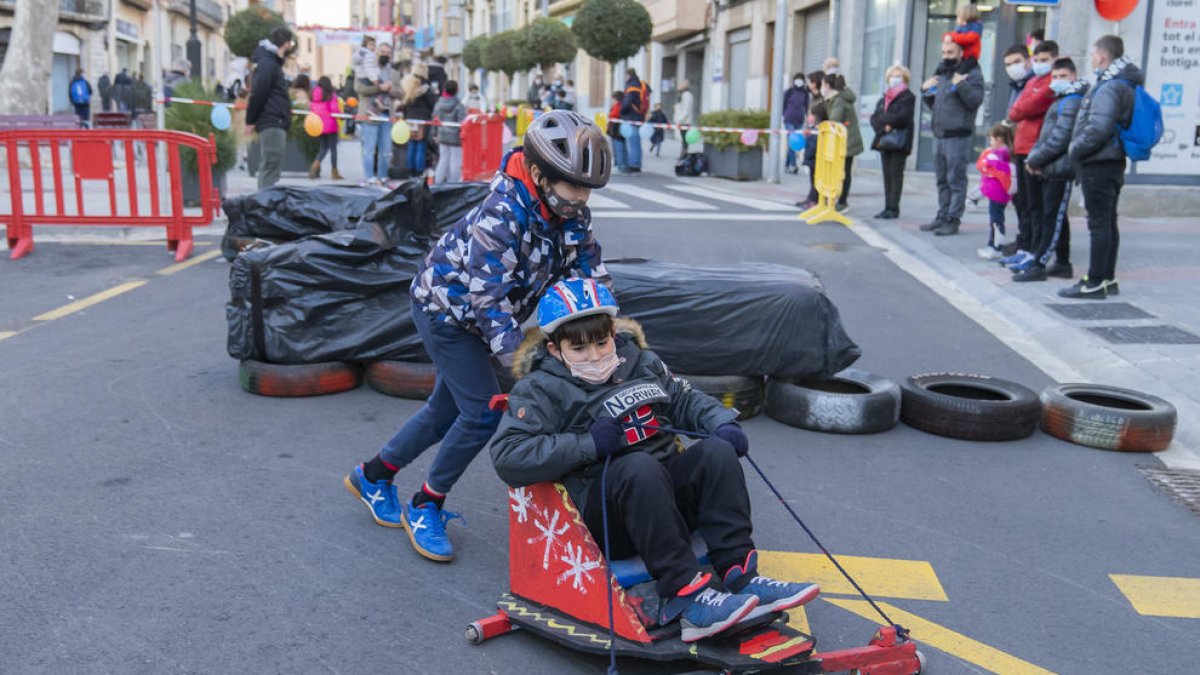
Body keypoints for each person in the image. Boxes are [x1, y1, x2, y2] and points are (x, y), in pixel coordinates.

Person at [343, 111, 614, 563]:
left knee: (442, 411)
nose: (581, 199)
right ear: (538, 174)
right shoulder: (502, 214)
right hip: (447, 313)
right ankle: (427, 504)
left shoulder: (571, 215)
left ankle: (373, 475)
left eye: (588, 190)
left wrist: (613, 332)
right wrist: (521, 362)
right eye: (574, 188)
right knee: (482, 412)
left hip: (482, 316)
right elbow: (487, 301)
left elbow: (590, 274)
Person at [490, 280, 822, 643]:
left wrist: (721, 423)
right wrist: (587, 444)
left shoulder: (641, 362)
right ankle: (688, 598)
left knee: (715, 452)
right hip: (606, 515)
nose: (595, 356)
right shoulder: (539, 390)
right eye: (580, 349)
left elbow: (684, 398)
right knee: (638, 467)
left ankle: (738, 572)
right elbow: (509, 457)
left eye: (602, 343)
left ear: (613, 333)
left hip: (663, 501)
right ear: (555, 349)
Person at [1063, 35, 1143, 299]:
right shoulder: (1122, 83)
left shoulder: (1109, 87)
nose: (1092, 60)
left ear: (1103, 56)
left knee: (1098, 223)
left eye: (1094, 54)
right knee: (1108, 221)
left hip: (1099, 162)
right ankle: (1107, 278)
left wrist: (1074, 150)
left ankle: (1095, 280)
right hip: (1110, 161)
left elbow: (1098, 128)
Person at [1016, 58, 1086, 283]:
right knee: (1056, 216)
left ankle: (1039, 263)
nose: (1057, 81)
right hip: (1052, 166)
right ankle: (1063, 263)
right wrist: (1037, 160)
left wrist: (1035, 159)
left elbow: (1060, 138)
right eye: (1055, 77)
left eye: (1062, 76)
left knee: (1051, 218)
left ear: (1073, 76)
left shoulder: (1072, 101)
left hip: (1061, 168)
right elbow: (1047, 136)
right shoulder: (1061, 100)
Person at [920, 35, 985, 236]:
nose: (946, 56)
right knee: (941, 179)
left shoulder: (972, 73)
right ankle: (942, 216)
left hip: (958, 135)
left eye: (950, 52)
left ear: (961, 53)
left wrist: (961, 84)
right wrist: (926, 90)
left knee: (955, 179)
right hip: (940, 134)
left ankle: (953, 219)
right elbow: (936, 105)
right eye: (943, 52)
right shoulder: (943, 72)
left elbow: (974, 101)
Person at [1003, 40, 1059, 265]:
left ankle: (1036, 251)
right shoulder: (1032, 81)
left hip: (1036, 150)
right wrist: (1018, 110)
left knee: (1037, 205)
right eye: (1037, 60)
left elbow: (1023, 109)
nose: (1039, 64)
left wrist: (1018, 110)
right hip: (1022, 147)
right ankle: (1026, 246)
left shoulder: (1051, 83)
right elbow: (1015, 109)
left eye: (1044, 60)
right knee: (1024, 202)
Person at [246, 27, 295, 190]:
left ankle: (264, 204)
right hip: (272, 121)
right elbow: (258, 93)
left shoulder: (270, 63)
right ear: (286, 44)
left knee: (272, 167)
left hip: (275, 121)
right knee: (270, 166)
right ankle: (263, 205)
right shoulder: (268, 64)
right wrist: (250, 120)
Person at [869, 64, 916, 219]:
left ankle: (894, 207)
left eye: (898, 76)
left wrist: (886, 120)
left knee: (896, 175)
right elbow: (875, 118)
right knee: (887, 175)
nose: (894, 79)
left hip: (899, 142)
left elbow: (902, 118)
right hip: (885, 140)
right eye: (892, 76)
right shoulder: (885, 98)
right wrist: (884, 128)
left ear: (905, 79)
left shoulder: (908, 97)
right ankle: (887, 206)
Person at [355, 42, 400, 187]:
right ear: (376, 53)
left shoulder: (394, 73)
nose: (385, 54)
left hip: (387, 117)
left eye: (388, 52)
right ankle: (369, 177)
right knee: (369, 149)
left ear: (391, 56)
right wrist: (379, 87)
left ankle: (383, 176)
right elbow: (359, 88)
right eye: (382, 51)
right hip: (369, 115)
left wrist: (390, 89)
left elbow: (401, 93)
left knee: (386, 150)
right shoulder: (365, 69)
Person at [974, 124, 1016, 261]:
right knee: (995, 219)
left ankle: (996, 246)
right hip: (997, 191)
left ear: (999, 139)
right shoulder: (1003, 153)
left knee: (996, 220)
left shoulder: (1000, 153)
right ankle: (992, 244)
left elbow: (987, 164)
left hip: (999, 192)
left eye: (992, 139)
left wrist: (989, 160)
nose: (990, 143)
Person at [822, 74, 862, 213]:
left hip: (846, 141)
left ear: (828, 86)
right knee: (843, 171)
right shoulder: (840, 97)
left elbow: (834, 120)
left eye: (824, 84)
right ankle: (838, 200)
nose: (823, 88)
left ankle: (843, 202)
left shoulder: (838, 99)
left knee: (843, 172)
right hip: (845, 140)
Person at [401, 62, 439, 179]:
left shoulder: (408, 85)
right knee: (421, 146)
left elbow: (405, 104)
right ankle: (419, 172)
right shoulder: (426, 88)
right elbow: (433, 103)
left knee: (411, 145)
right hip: (423, 120)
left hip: (410, 119)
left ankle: (410, 171)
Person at [796, 71, 825, 209]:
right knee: (812, 167)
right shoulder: (814, 97)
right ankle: (811, 197)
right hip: (812, 135)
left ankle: (816, 198)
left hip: (819, 136)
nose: (808, 84)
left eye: (810, 81)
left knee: (817, 168)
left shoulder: (822, 98)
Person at [433, 80, 467, 184]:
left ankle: (437, 182)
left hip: (442, 135)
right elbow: (463, 121)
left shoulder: (438, 104)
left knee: (443, 160)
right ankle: (454, 184)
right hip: (456, 137)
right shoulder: (459, 105)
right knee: (455, 162)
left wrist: (435, 134)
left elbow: (434, 119)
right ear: (456, 90)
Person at [310, 76, 342, 181]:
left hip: (318, 125)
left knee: (323, 148)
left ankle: (315, 164)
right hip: (330, 125)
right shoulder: (331, 95)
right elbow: (334, 109)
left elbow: (312, 109)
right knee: (333, 149)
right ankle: (334, 172)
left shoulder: (314, 94)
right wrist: (341, 116)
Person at [619, 68, 650, 174]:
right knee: (636, 141)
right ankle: (637, 163)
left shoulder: (632, 86)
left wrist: (622, 111)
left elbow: (628, 101)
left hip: (632, 117)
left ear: (628, 75)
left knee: (633, 141)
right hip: (639, 116)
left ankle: (634, 165)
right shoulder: (640, 84)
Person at [782, 72, 811, 174]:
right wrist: (784, 115)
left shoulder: (805, 93)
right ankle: (793, 166)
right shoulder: (789, 91)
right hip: (789, 119)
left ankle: (786, 165)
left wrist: (808, 118)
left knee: (792, 143)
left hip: (799, 120)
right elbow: (783, 104)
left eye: (801, 79)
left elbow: (807, 107)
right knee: (792, 142)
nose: (799, 81)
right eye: (797, 79)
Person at [674, 79, 695, 158]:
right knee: (683, 138)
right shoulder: (682, 95)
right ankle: (683, 154)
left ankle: (684, 154)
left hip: (684, 121)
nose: (678, 86)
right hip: (682, 121)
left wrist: (679, 119)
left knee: (685, 139)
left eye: (680, 84)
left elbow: (686, 110)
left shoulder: (687, 95)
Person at [608, 90, 627, 172]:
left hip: (617, 130)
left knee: (618, 148)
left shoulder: (618, 106)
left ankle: (620, 165)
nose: (611, 101)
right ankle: (617, 164)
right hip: (615, 130)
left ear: (616, 99)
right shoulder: (617, 105)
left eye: (612, 99)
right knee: (616, 148)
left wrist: (610, 113)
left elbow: (614, 115)